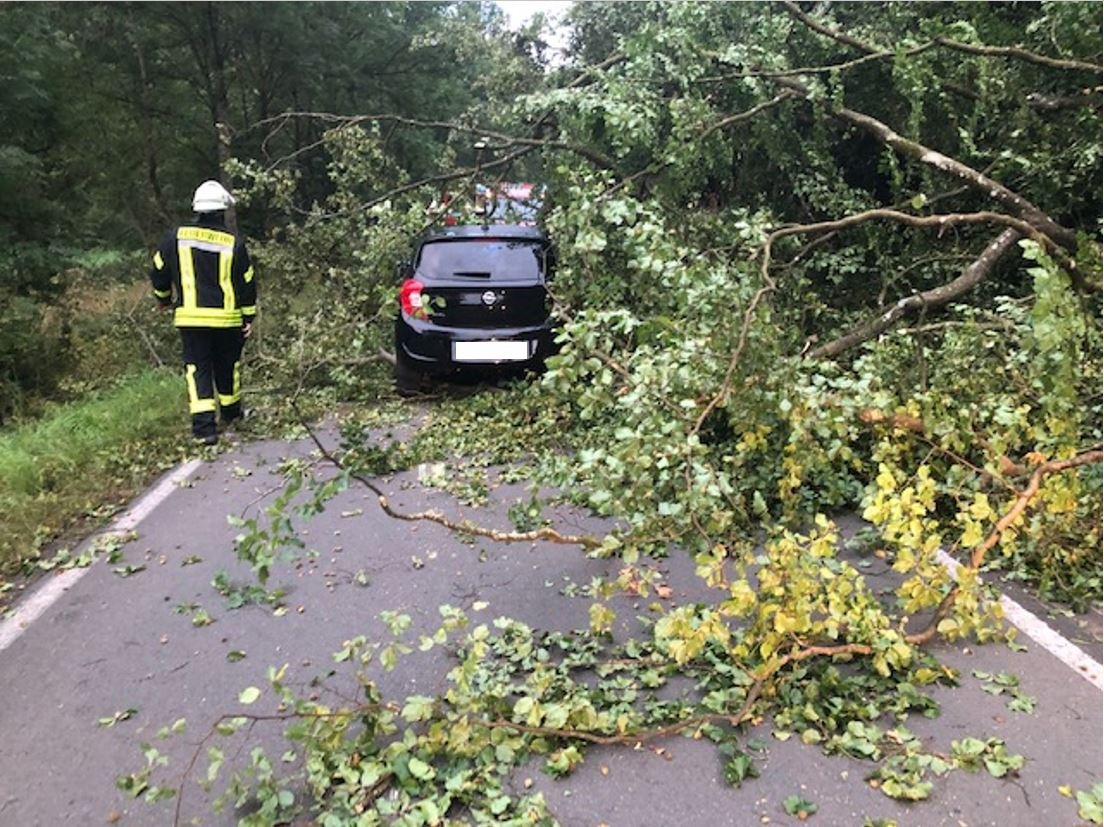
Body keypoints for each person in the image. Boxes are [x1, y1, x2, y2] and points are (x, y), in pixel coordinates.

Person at [150, 180, 257, 444]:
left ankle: (205, 430)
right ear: (222, 211)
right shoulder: (234, 244)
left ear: (197, 209)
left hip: (192, 320)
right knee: (227, 367)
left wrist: (163, 299)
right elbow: (247, 282)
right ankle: (232, 416)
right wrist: (248, 317)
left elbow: (158, 271)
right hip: (228, 321)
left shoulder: (176, 237)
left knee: (197, 370)